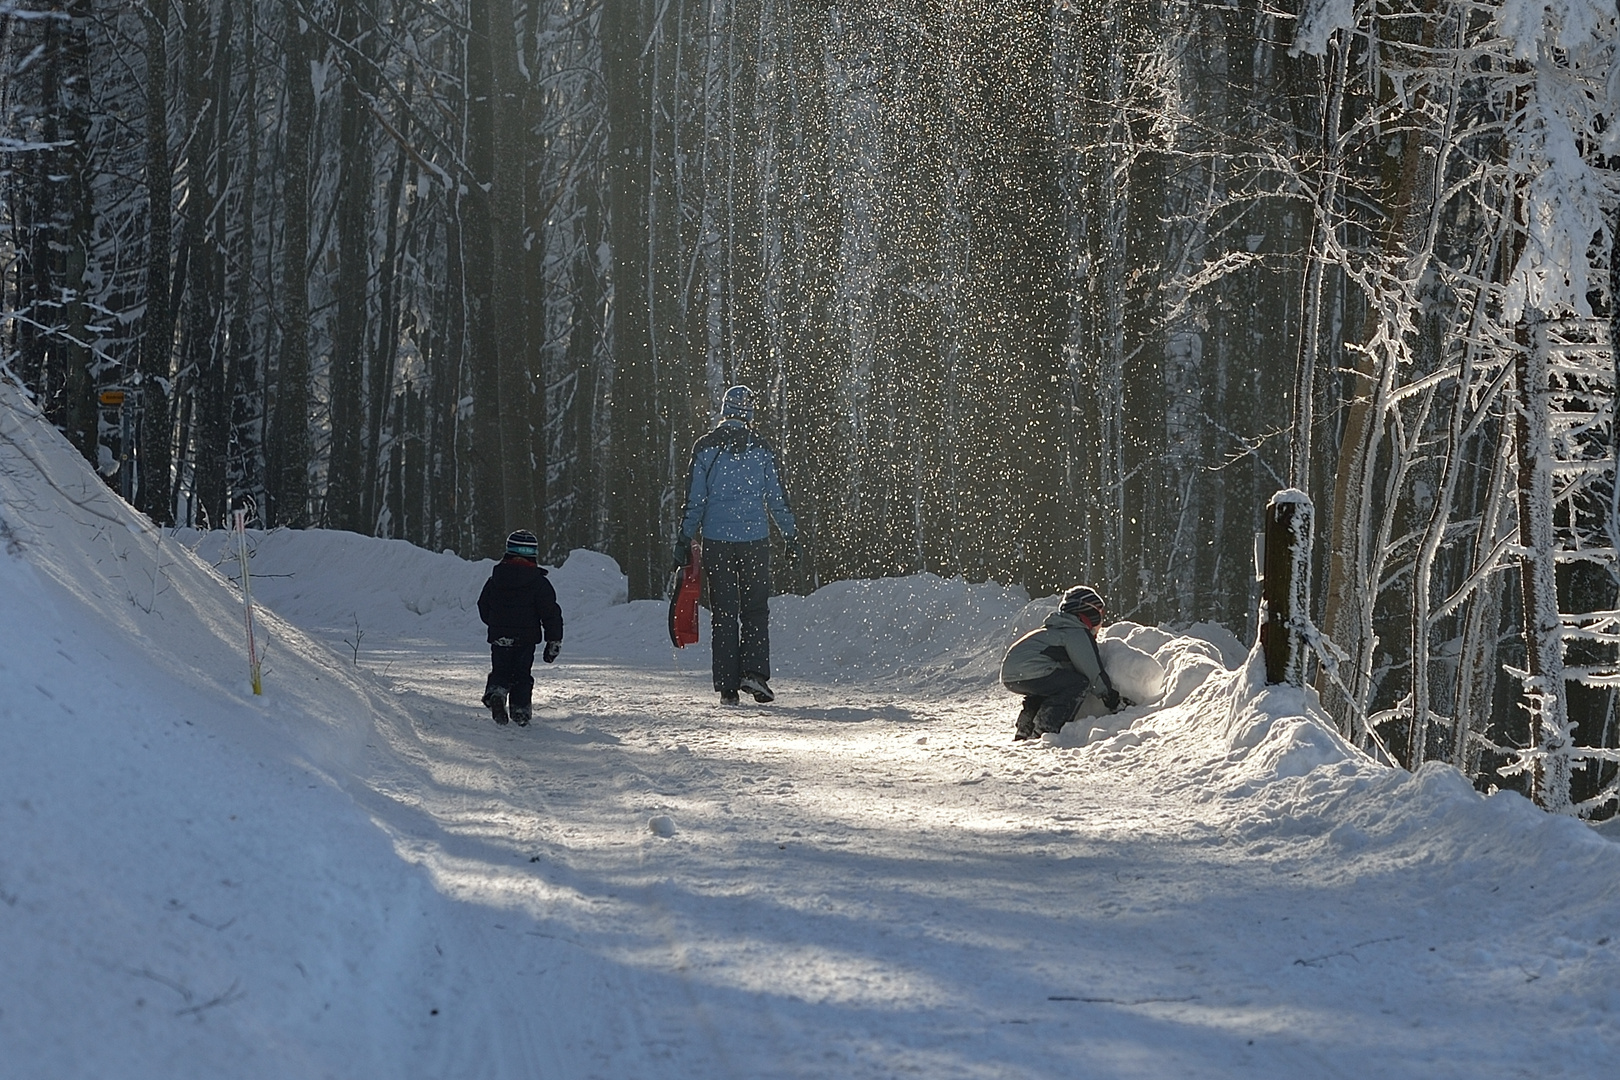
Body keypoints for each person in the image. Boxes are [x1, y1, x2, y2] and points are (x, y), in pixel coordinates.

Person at [674, 385, 801, 705]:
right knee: (755, 609)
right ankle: (755, 674)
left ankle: (728, 686)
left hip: (717, 541)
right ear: (749, 413)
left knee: (725, 612)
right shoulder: (761, 447)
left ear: (724, 409)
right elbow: (776, 498)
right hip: (755, 541)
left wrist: (685, 538)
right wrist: (791, 536)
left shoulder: (705, 447)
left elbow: (695, 501)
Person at [999, 584, 1121, 741]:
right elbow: (1092, 670)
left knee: (1050, 687)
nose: (1102, 620)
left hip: (1012, 674)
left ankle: (1025, 728)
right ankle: (1045, 729)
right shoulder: (1076, 632)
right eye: (1100, 613)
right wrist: (1111, 699)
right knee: (1077, 684)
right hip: (1029, 669)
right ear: (1087, 613)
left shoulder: (1056, 630)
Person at [477, 529, 564, 727]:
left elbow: (483, 605)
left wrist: (494, 622)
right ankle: (520, 710)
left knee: (501, 668)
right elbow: (551, 613)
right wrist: (554, 640)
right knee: (522, 674)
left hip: (500, 636)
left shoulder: (495, 580)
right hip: (526, 638)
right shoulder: (539, 584)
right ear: (533, 554)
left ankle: (497, 693)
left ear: (508, 552)